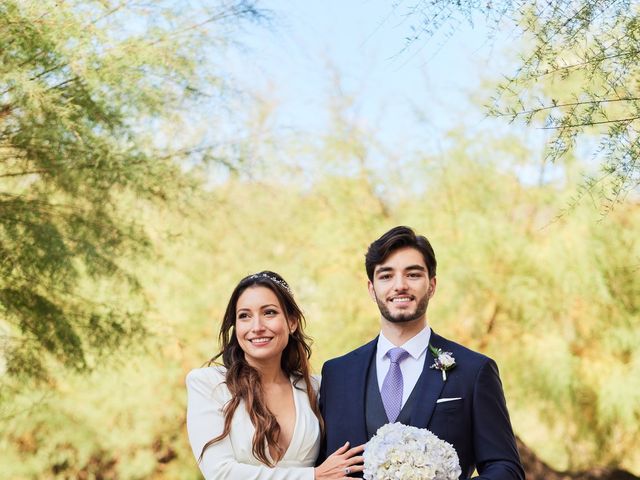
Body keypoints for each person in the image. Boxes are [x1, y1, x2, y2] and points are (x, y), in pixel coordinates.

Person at [317, 227, 525, 479]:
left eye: (413, 274)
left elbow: (505, 468)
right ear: (372, 289)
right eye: (386, 276)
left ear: (432, 285)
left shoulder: (474, 371)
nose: (400, 286)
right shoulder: (336, 374)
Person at [186, 271, 364, 480]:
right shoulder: (209, 384)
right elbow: (220, 472)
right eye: (244, 316)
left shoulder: (316, 388)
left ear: (292, 322)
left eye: (269, 313)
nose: (257, 327)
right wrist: (313, 477)